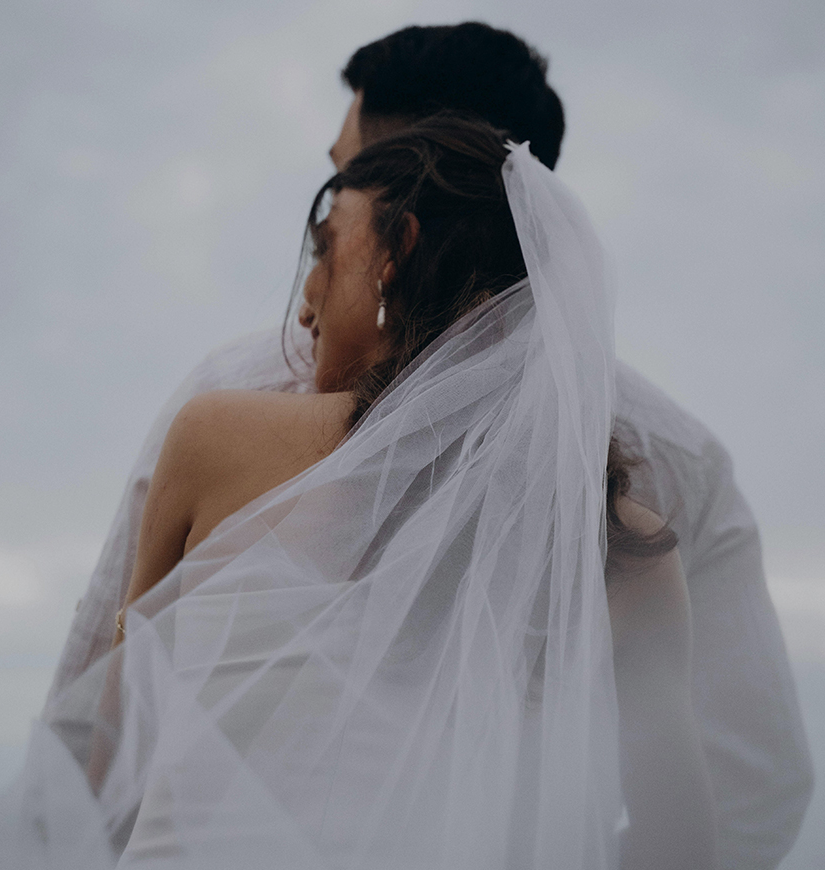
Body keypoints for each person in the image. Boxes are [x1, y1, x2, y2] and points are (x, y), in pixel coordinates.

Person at [45, 22, 812, 870]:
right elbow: (747, 794)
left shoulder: (227, 409)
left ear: (398, 226)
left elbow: (92, 744)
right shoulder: (666, 475)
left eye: (340, 189)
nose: (303, 298)